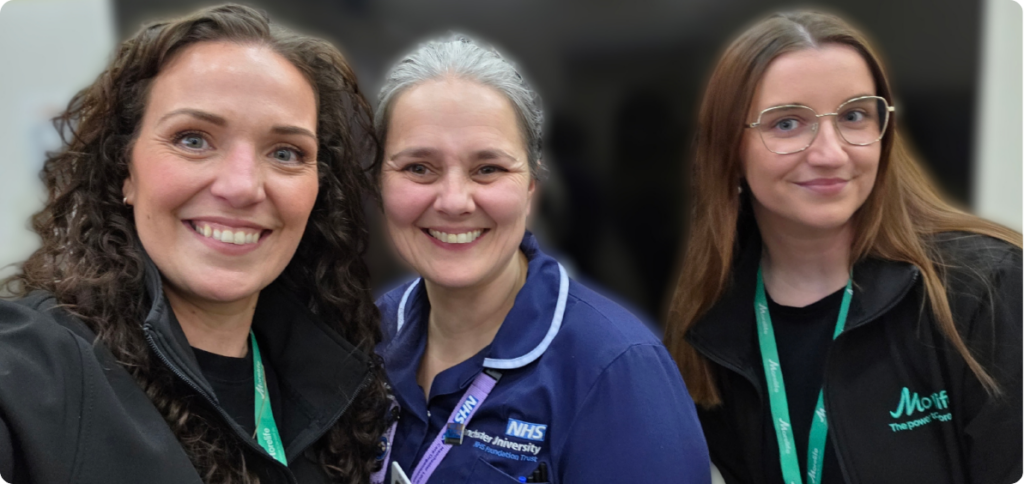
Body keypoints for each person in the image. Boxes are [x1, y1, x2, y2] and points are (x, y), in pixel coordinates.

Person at [0, 5, 390, 483]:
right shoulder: (31, 369)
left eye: (286, 152)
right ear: (124, 169)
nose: (242, 186)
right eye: (193, 139)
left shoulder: (343, 388)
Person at [663, 10, 1024, 484]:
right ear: (729, 150)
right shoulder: (712, 326)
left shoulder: (986, 287)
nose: (830, 154)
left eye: (854, 116)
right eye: (787, 123)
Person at [370, 35, 710, 484]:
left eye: (488, 169)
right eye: (418, 168)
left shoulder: (616, 369)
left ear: (532, 188)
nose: (453, 201)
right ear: (380, 183)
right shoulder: (365, 333)